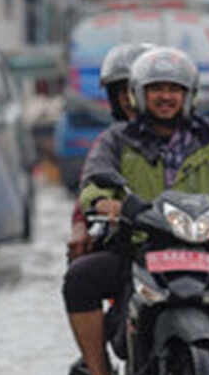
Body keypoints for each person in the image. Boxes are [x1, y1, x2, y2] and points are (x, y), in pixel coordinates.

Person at [63, 46, 209, 375]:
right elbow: (93, 187)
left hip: (207, 251)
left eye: (174, 89)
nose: (166, 97)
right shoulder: (117, 140)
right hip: (138, 248)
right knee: (80, 278)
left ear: (188, 95)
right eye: (157, 89)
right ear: (140, 94)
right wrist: (110, 205)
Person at [65, 41, 153, 262]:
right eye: (120, 91)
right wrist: (84, 221)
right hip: (130, 241)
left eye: (133, 89)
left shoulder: (199, 136)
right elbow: (90, 187)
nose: (127, 98)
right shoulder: (111, 140)